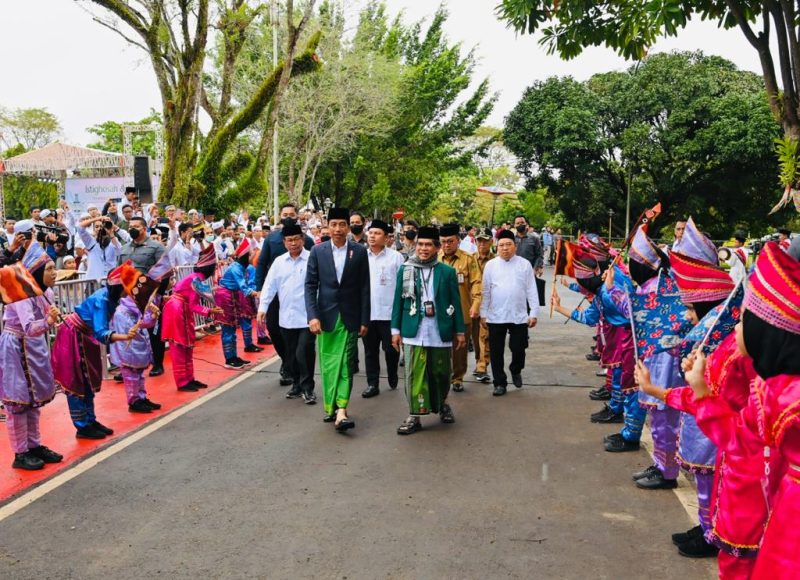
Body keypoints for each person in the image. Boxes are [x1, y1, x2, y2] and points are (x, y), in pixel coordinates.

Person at [52, 263, 139, 439]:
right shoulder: (102, 300)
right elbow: (101, 333)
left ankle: (90, 420)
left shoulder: (112, 299)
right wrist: (124, 337)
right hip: (73, 337)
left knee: (88, 380)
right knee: (76, 381)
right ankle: (82, 426)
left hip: (85, 336)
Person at [391, 226, 465, 434]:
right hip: (413, 330)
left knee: (441, 373)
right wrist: (395, 330)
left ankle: (442, 404)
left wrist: (460, 331)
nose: (423, 249)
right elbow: (397, 301)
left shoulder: (447, 272)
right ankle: (414, 415)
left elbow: (455, 303)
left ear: (437, 247)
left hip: (439, 330)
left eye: (428, 245)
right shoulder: (406, 269)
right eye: (420, 244)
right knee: (414, 375)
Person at [625, 226, 682, 490]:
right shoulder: (663, 282)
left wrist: (612, 289)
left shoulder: (653, 288)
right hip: (658, 361)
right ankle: (661, 464)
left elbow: (629, 312)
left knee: (664, 420)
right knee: (658, 419)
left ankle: (667, 473)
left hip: (664, 365)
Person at [305, 207, 370, 433]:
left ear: (348, 226)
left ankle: (342, 410)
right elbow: (310, 285)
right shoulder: (317, 251)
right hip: (326, 318)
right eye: (334, 224)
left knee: (346, 363)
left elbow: (364, 287)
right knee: (329, 364)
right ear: (327, 226)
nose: (338, 229)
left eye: (342, 224)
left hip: (350, 318)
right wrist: (312, 315)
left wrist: (365, 319)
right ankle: (330, 406)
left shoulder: (360, 251)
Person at [0, 242, 63, 470]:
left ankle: (35, 446)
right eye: (49, 269)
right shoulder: (22, 295)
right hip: (16, 346)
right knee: (18, 403)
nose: (54, 273)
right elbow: (28, 327)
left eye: (54, 268)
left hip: (33, 347)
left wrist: (50, 319)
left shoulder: (46, 292)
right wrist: (48, 321)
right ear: (37, 272)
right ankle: (20, 452)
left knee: (34, 401)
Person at [258, 223, 317, 404]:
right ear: (284, 242)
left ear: (303, 239)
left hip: (308, 317)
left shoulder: (312, 259)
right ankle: (297, 386)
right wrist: (263, 308)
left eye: (296, 239)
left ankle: (308, 388)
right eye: (289, 240)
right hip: (287, 317)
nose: (293, 243)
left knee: (304, 352)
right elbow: (269, 286)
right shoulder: (279, 262)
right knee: (290, 354)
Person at [479, 229, 538, 396]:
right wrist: (483, 313)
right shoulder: (491, 265)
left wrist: (533, 312)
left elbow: (531, 290)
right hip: (496, 315)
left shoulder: (524, 264)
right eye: (501, 245)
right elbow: (486, 291)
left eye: (508, 245)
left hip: (518, 315)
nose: (505, 248)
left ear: (515, 246)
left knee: (518, 348)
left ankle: (516, 368)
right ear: (496, 247)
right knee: (496, 351)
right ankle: (500, 382)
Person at [162, 245, 223, 392]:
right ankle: (182, 382)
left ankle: (189, 378)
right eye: (214, 267)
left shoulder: (196, 278)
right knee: (179, 346)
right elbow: (194, 305)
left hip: (180, 309)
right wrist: (210, 311)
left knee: (187, 344)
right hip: (177, 310)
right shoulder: (196, 280)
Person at [362, 219, 405, 398]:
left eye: (377, 233)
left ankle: (393, 374)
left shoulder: (396, 257)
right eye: (370, 233)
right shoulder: (361, 256)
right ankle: (373, 383)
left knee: (390, 349)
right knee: (370, 351)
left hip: (389, 314)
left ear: (387, 238)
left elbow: (403, 286)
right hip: (368, 313)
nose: (372, 236)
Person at [109, 271, 162, 414]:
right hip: (129, 350)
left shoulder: (135, 307)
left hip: (138, 346)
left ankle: (142, 397)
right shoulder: (122, 311)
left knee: (139, 375)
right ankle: (134, 401)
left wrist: (153, 315)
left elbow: (144, 324)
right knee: (131, 376)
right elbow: (129, 333)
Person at [438, 223, 482, 393]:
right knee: (440, 349)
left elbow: (477, 283)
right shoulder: (435, 258)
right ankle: (441, 376)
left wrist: (476, 305)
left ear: (458, 240)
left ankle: (457, 377)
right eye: (443, 242)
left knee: (460, 349)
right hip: (440, 312)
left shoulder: (468, 259)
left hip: (463, 312)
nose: (446, 245)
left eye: (450, 241)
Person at [215, 237, 261, 369]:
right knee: (227, 327)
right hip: (225, 296)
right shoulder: (236, 268)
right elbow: (243, 285)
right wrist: (256, 293)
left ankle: (233, 356)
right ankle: (229, 359)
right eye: (251, 253)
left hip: (232, 295)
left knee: (233, 327)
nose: (253, 255)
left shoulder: (241, 267)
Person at [471, 228, 494, 384]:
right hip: (471, 304)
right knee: (472, 337)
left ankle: (482, 366)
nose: (482, 243)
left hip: (489, 304)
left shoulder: (496, 261)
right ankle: (479, 362)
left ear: (491, 242)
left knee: (484, 336)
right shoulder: (469, 259)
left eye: (485, 240)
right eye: (479, 240)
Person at [77, 214, 130, 279]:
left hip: (109, 280)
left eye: (102, 226)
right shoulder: (90, 241)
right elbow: (80, 227)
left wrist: (111, 233)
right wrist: (97, 218)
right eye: (97, 226)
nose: (100, 228)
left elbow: (119, 251)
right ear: (93, 229)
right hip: (94, 280)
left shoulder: (113, 241)